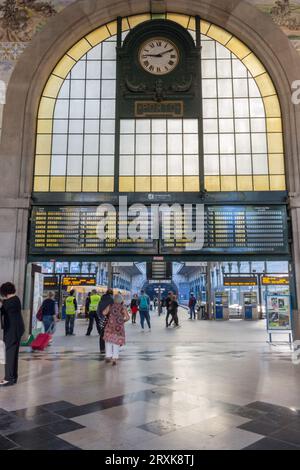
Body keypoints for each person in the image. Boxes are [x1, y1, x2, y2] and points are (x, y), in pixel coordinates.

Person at [0, 282, 25, 387]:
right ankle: (13, 377)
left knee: (10, 354)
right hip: (16, 330)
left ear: (5, 292)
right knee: (13, 355)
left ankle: (8, 379)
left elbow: (3, 307)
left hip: (12, 331)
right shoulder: (15, 300)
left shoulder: (10, 302)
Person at [102, 294, 130, 365]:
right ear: (121, 300)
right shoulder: (123, 307)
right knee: (116, 342)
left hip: (110, 326)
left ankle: (108, 356)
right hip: (119, 327)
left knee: (108, 341)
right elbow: (127, 317)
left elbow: (104, 313)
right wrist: (122, 321)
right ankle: (114, 358)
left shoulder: (110, 306)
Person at [97, 288, 114, 354]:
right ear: (112, 293)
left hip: (102, 319)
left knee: (102, 334)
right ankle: (111, 348)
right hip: (110, 319)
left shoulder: (101, 300)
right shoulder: (112, 300)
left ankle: (102, 349)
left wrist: (101, 317)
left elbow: (98, 310)